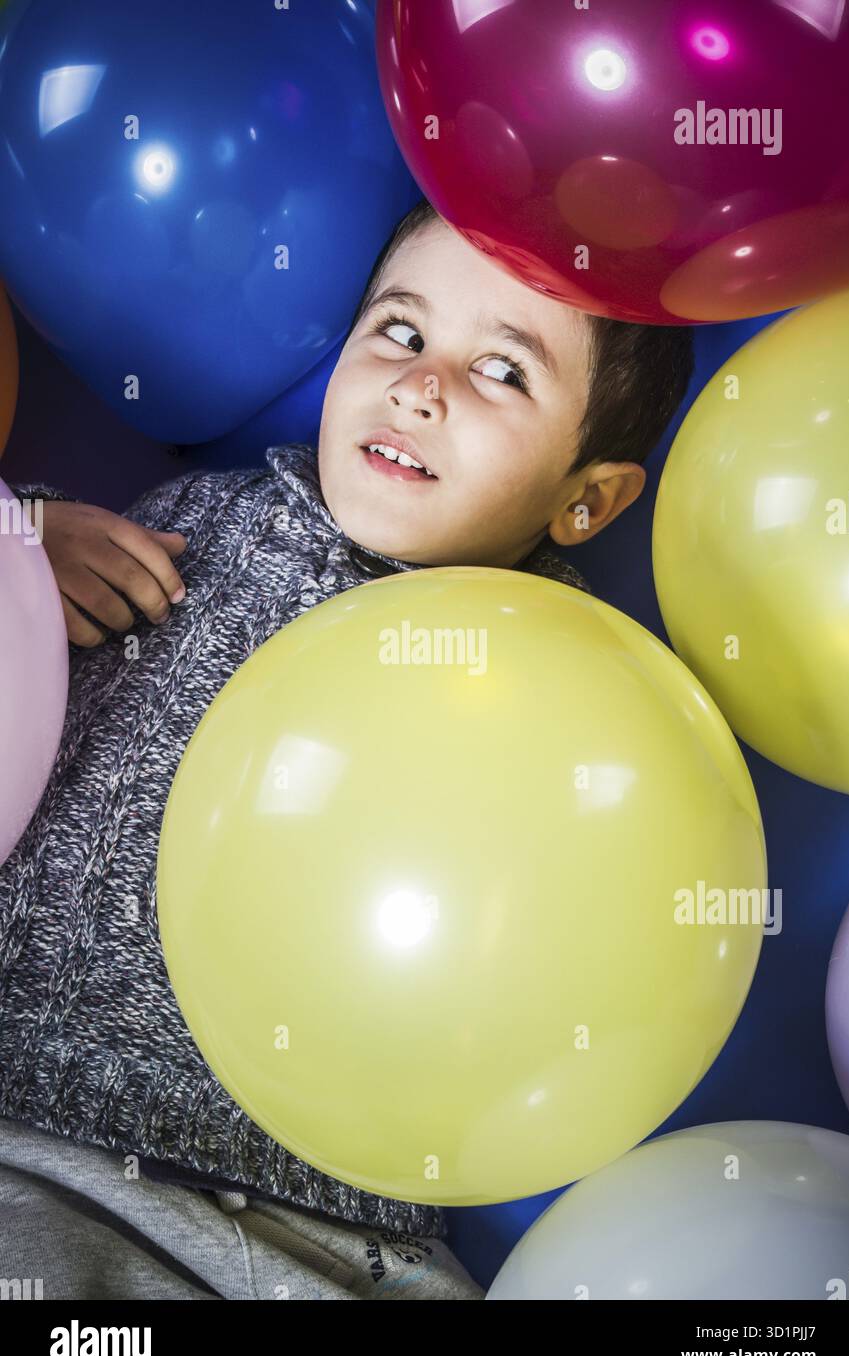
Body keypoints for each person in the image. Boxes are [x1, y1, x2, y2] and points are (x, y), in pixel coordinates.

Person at [0, 197, 694, 1300]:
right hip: (39, 1136)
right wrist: (28, 532)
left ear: (586, 498)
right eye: (401, 333)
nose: (422, 385)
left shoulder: (567, 695)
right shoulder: (190, 520)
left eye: (501, 373)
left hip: (333, 1224)